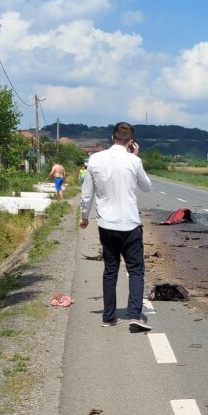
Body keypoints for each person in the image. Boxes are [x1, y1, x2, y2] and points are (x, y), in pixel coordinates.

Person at [80, 122, 154, 332]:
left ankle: (109, 317)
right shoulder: (134, 161)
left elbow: (87, 194)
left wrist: (84, 217)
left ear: (112, 137)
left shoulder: (95, 159)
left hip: (106, 224)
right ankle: (135, 315)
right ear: (131, 142)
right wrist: (136, 158)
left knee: (110, 270)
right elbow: (147, 187)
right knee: (136, 270)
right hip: (129, 224)